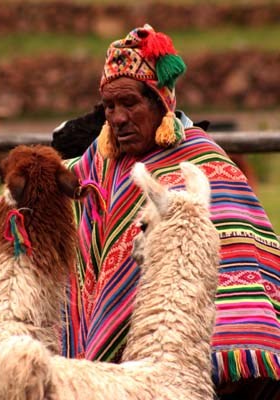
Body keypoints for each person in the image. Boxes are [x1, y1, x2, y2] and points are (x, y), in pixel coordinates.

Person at [59, 24, 280, 399]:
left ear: (161, 103)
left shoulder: (205, 165)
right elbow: (60, 185)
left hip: (206, 363)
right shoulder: (104, 160)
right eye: (110, 106)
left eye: (130, 103)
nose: (118, 117)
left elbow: (239, 256)